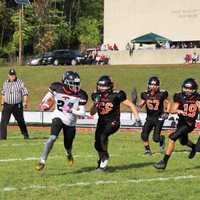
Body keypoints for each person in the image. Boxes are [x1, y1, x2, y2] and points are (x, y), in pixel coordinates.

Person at [36, 71, 88, 171]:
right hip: (58, 116)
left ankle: (68, 154)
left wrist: (71, 110)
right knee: (52, 138)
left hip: (70, 122)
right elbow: (47, 98)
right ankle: (42, 161)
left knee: (68, 145)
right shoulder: (56, 87)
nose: (76, 86)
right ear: (66, 82)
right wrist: (44, 104)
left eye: (77, 84)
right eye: (73, 84)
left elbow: (82, 113)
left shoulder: (81, 95)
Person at [90, 75, 141, 171]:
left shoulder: (117, 95)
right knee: (97, 144)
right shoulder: (96, 95)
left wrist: (137, 119)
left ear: (109, 86)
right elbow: (92, 112)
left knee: (103, 136)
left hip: (113, 122)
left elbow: (130, 104)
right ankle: (102, 158)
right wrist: (95, 103)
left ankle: (104, 161)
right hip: (101, 122)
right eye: (99, 86)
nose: (100, 88)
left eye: (103, 86)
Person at [154, 78, 200, 170]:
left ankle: (164, 162)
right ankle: (194, 147)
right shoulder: (180, 96)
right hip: (181, 122)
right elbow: (172, 109)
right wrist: (178, 110)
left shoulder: (198, 98)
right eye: (185, 88)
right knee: (183, 142)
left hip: (189, 124)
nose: (187, 91)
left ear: (194, 90)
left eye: (189, 89)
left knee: (172, 138)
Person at [138, 76, 170, 155]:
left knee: (156, 138)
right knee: (144, 134)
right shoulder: (145, 94)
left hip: (159, 117)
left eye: (155, 85)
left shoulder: (162, 94)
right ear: (148, 85)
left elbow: (169, 103)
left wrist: (167, 112)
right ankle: (147, 150)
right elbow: (141, 104)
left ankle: (161, 139)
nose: (153, 87)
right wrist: (137, 105)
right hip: (149, 118)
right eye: (151, 85)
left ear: (158, 86)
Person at [0, 68, 29, 140]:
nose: (12, 76)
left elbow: (25, 93)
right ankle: (2, 137)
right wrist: (2, 104)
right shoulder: (5, 83)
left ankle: (25, 134)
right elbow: (3, 94)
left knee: (20, 121)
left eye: (13, 75)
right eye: (11, 75)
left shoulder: (20, 82)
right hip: (7, 105)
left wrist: (25, 102)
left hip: (17, 105)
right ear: (8, 75)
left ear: (15, 75)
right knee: (3, 121)